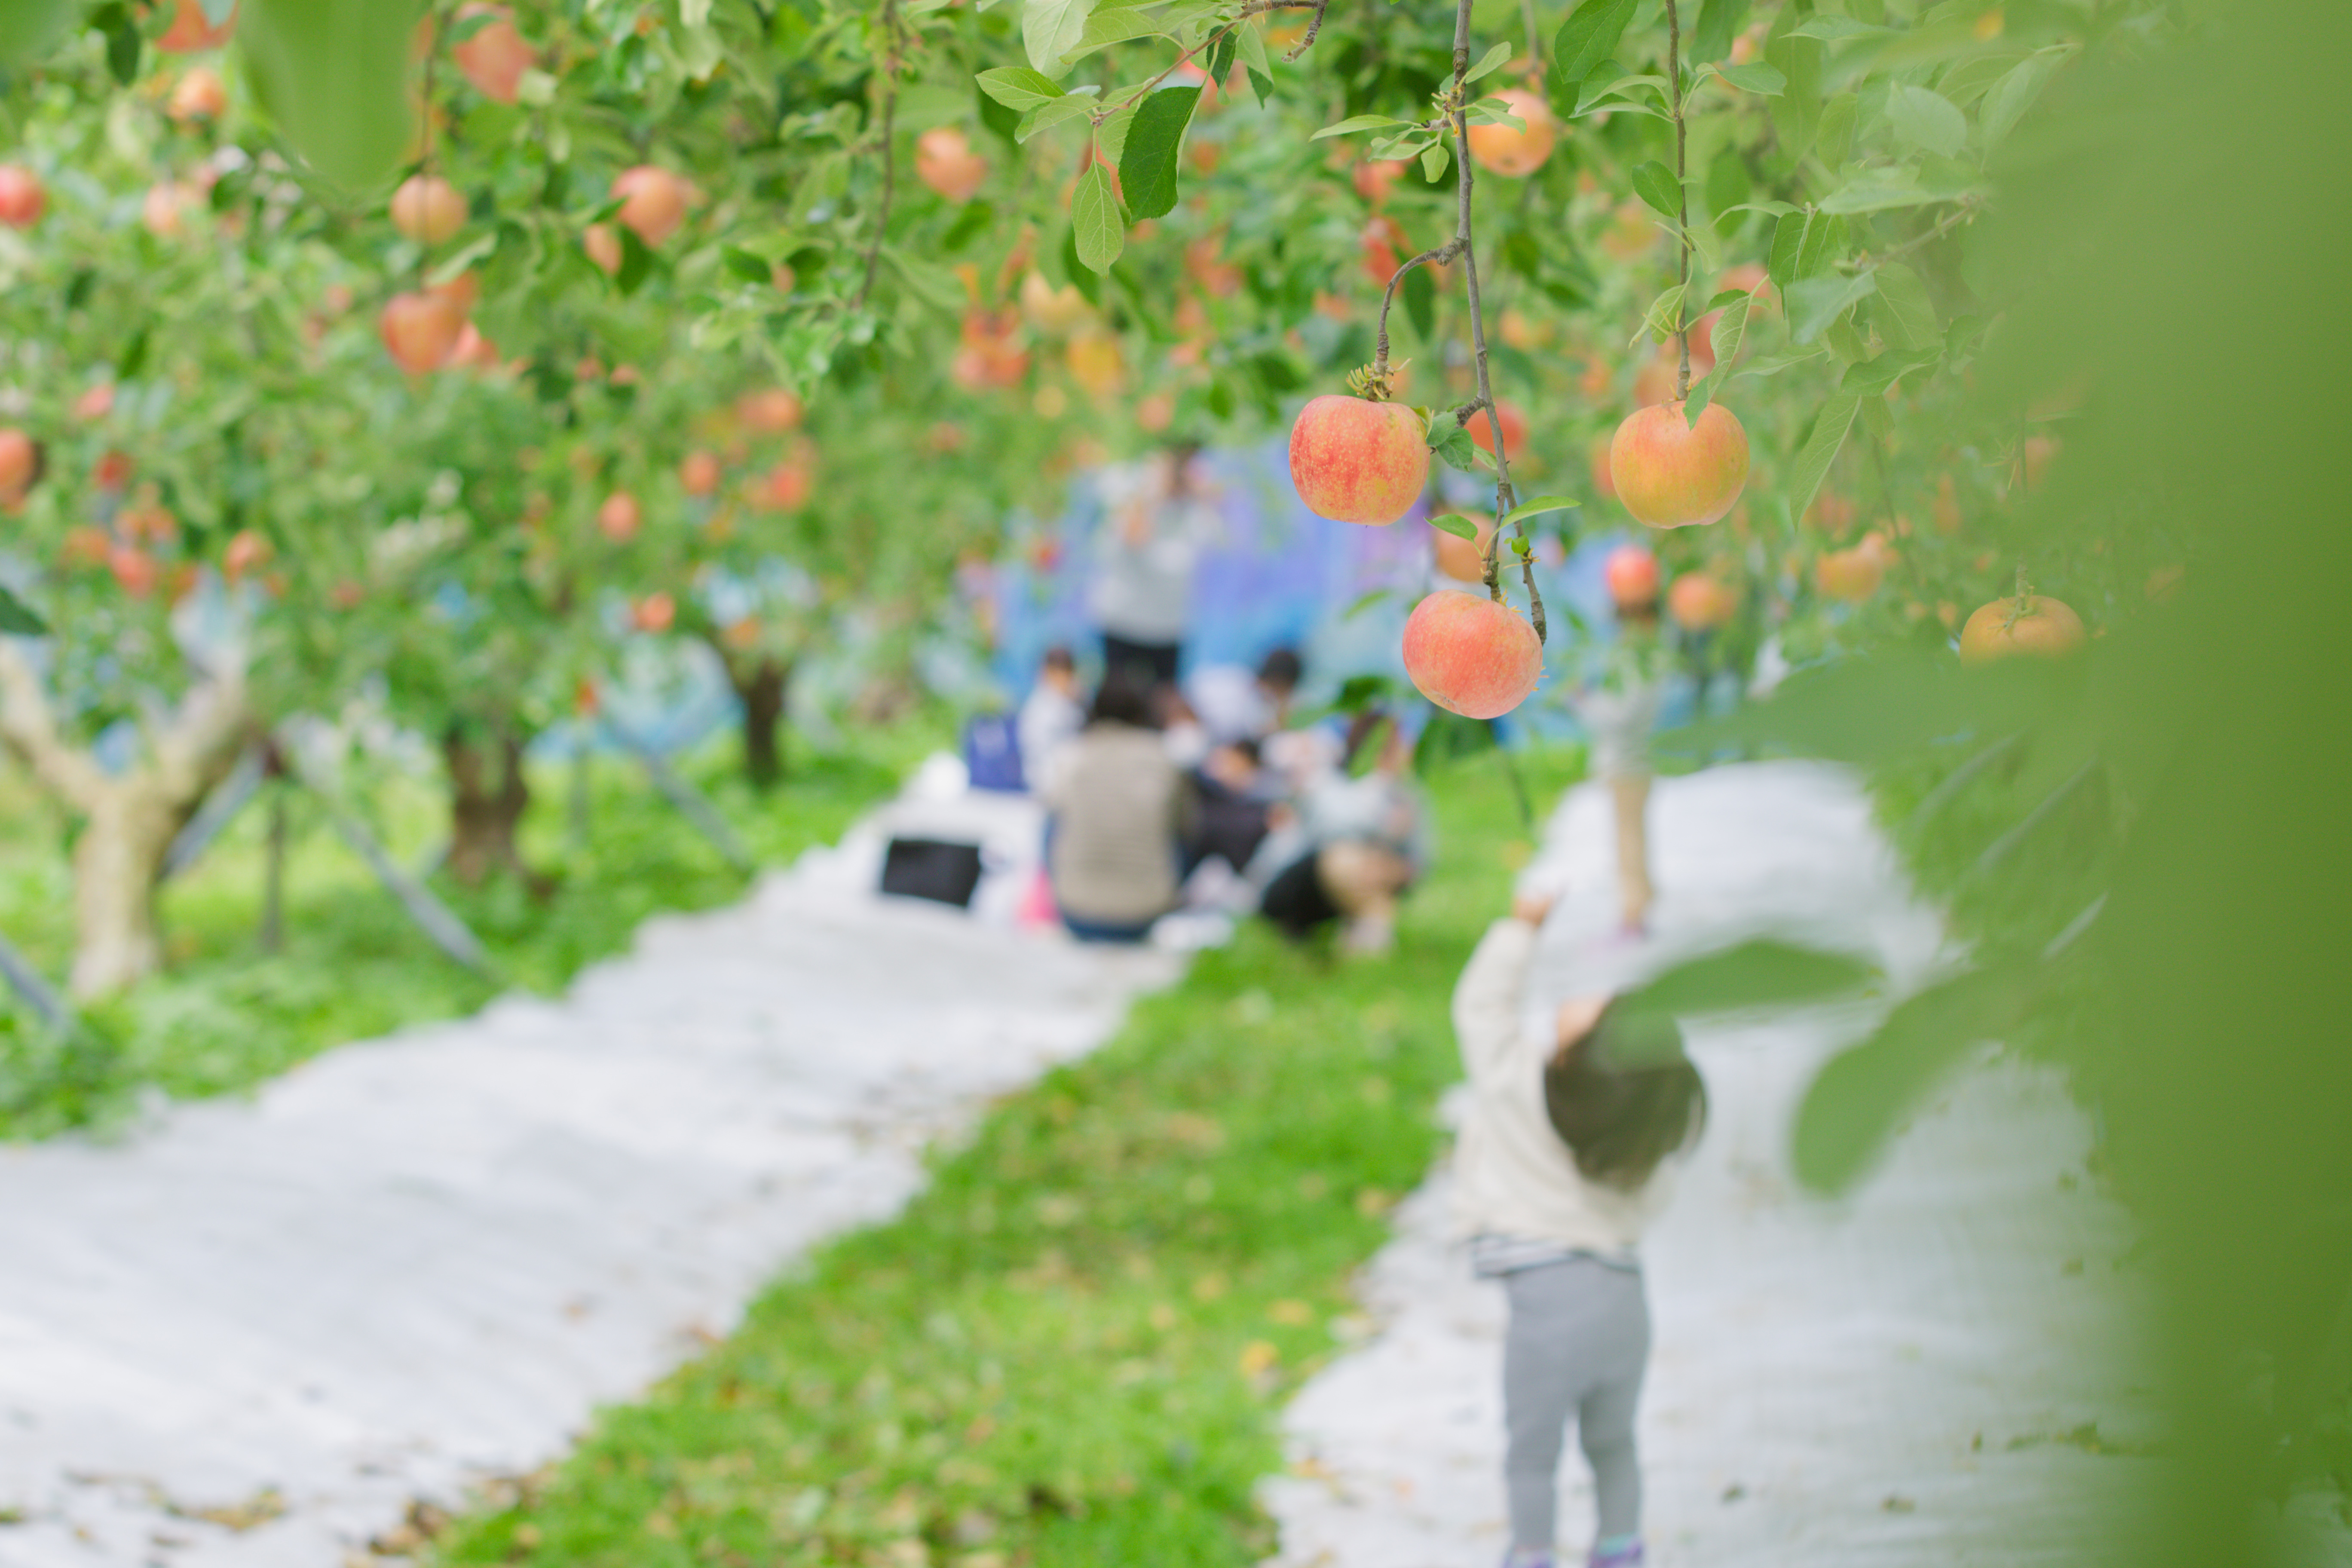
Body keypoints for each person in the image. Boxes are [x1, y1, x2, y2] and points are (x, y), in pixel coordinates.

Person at [1452, 890, 1708, 1568]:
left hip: (1549, 1309)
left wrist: (1520, 928)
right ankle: (1620, 1549)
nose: (1592, 996)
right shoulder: (1636, 1141)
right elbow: (1651, 1204)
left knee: (1533, 1451)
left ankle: (1533, 1554)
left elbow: (1480, 1009)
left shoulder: (1519, 1090)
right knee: (1613, 1443)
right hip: (1625, 1305)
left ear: (1570, 1059)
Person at [1257, 709, 1429, 953]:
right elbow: (1331, 833)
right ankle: (1364, 936)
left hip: (1369, 875)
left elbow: (1420, 858)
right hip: (1297, 883)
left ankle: (1364, 937)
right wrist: (1384, 834)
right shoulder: (1329, 782)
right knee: (1346, 859)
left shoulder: (1407, 795)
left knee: (1371, 872)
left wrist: (1391, 864)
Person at [1040, 672, 1189, 943]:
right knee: (1178, 824)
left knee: (1054, 818)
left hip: (1076, 911)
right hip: (1143, 914)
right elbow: (1187, 833)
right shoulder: (1164, 759)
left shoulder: (1072, 755)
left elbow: (1048, 835)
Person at [1573, 590, 1669, 934]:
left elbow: (1620, 714)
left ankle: (1634, 911)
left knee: (1628, 840)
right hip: (1632, 761)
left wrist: (1582, 701)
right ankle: (1642, 899)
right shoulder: (1647, 657)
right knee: (1633, 836)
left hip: (1628, 762)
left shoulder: (1640, 661)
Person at [1090, 443, 1216, 691]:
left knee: (1163, 705)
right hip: (1123, 620)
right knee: (1118, 702)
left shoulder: (1195, 499)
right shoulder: (1131, 481)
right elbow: (1125, 540)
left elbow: (1200, 549)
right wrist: (1151, 498)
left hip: (1168, 627)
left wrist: (1198, 496)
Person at [1016, 644, 1086, 790]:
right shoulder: (1040, 705)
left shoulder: (1074, 701)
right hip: (1046, 782)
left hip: (1071, 780)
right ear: (1048, 672)